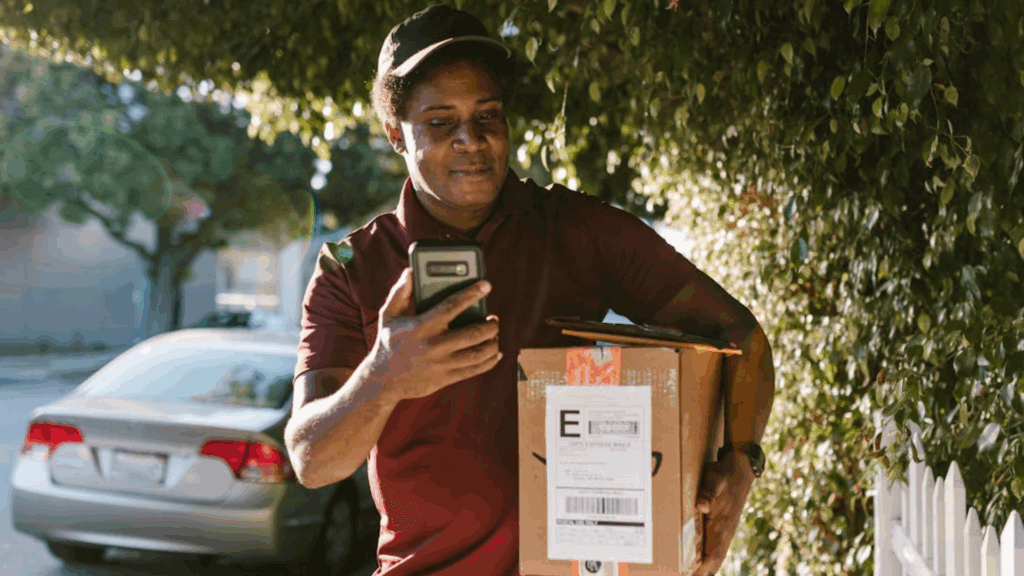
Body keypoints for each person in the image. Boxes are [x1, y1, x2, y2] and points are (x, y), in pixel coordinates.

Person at [284, 5, 776, 576]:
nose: (472, 138)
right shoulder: (351, 270)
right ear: (397, 133)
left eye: (487, 114)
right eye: (441, 122)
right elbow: (311, 460)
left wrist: (741, 463)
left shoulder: (577, 231)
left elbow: (743, 337)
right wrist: (385, 376)